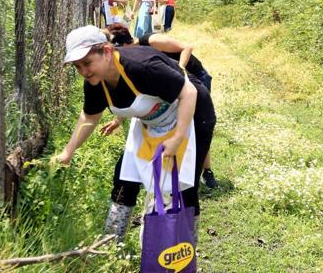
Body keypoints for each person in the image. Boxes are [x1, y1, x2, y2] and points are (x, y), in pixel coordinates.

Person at [55, 25, 216, 242]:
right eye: (77, 67)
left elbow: (189, 92)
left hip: (193, 113)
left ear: (107, 51)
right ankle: (112, 246)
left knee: (184, 185)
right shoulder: (94, 82)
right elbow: (90, 116)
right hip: (152, 121)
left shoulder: (142, 67)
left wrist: (177, 138)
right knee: (124, 178)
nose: (84, 71)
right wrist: (68, 151)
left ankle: (184, 249)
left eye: (87, 63)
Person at [106, 23, 218, 188]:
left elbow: (187, 47)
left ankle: (206, 172)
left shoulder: (152, 41)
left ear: (123, 45)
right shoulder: (131, 62)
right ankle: (181, 174)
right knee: (183, 126)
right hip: (175, 86)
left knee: (197, 126)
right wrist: (118, 120)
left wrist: (179, 71)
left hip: (195, 78)